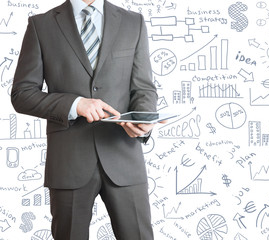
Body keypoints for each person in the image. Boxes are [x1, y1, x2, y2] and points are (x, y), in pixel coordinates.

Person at [11, 0, 158, 239]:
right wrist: (75, 104)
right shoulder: (41, 25)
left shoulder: (134, 22)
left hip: (124, 158)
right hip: (69, 161)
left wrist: (143, 119)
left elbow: (144, 89)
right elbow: (22, 94)